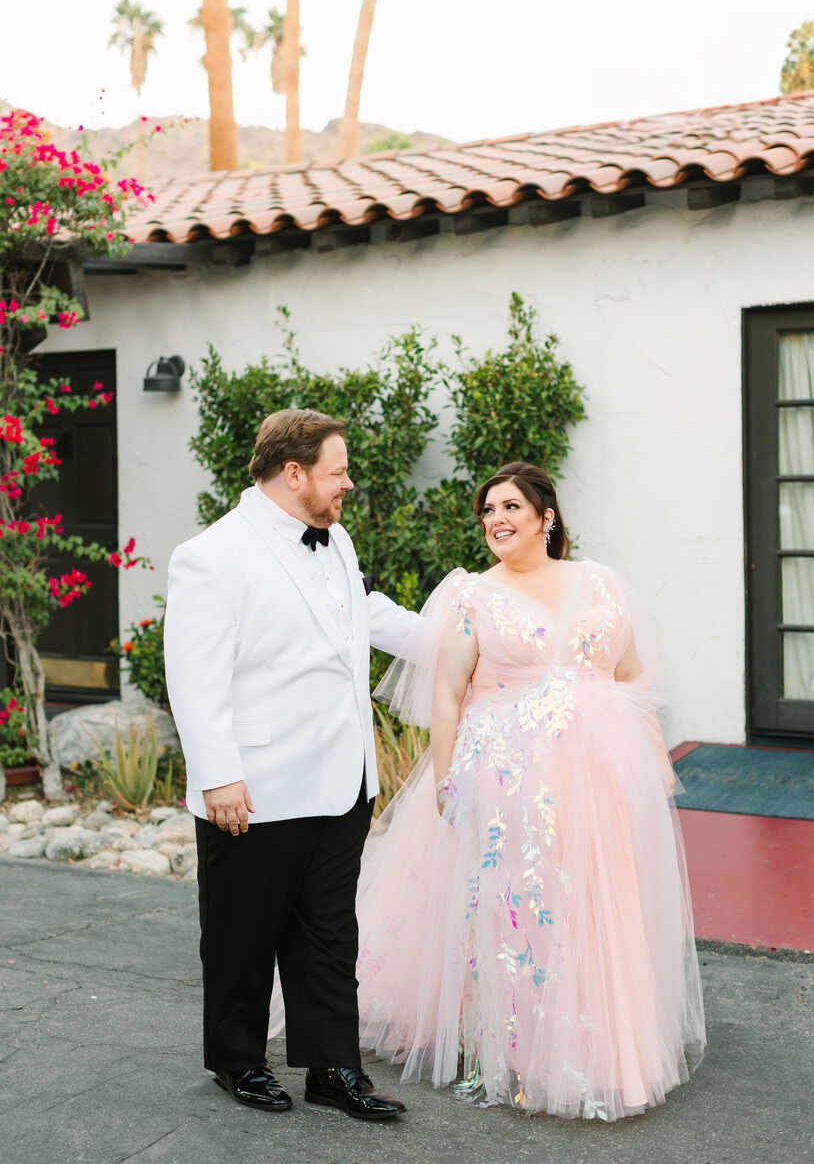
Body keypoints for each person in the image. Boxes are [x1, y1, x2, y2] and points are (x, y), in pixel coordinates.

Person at [353, 461, 707, 1120]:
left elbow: (629, 676)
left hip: (595, 777)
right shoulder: (472, 596)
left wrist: (652, 763)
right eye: (487, 511)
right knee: (521, 901)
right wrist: (447, 774)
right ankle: (516, 1042)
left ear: (546, 517)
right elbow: (446, 693)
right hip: (506, 775)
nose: (496, 521)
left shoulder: (600, 582)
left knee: (592, 899)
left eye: (511, 507)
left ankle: (596, 1040)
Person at [164, 408, 419, 1123]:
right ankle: (236, 1061)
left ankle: (332, 1068)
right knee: (244, 931)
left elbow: (365, 615)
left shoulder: (332, 538)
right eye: (338, 471)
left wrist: (465, 641)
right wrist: (218, 775)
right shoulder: (211, 555)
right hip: (256, 784)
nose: (348, 483)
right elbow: (195, 676)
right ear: (294, 472)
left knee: (331, 933)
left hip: (342, 779)